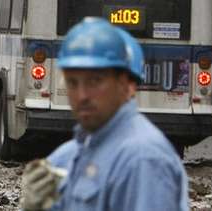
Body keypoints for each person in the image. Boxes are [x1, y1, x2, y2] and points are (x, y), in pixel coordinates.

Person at [21, 17, 188, 211]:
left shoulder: (143, 159)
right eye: (73, 82)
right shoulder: (66, 157)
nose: (82, 95)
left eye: (94, 81)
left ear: (125, 84)